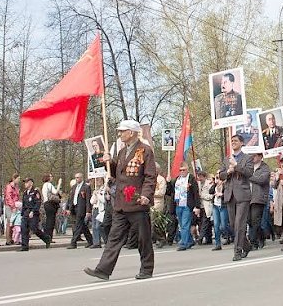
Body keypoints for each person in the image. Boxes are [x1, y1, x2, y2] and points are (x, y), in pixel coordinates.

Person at [84, 119, 157, 280]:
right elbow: (118, 173)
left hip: (137, 202)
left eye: (122, 131)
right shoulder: (122, 151)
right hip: (121, 203)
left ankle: (146, 269)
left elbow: (150, 176)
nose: (119, 134)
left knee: (143, 239)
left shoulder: (145, 151)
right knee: (114, 238)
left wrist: (146, 195)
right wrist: (108, 162)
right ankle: (103, 269)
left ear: (131, 132)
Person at [218, 134, 253, 261]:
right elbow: (221, 175)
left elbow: (249, 173)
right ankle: (247, 245)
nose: (233, 142)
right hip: (230, 194)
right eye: (231, 141)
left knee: (239, 224)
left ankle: (237, 251)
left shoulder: (247, 158)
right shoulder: (226, 159)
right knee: (233, 225)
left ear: (242, 143)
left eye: (236, 141)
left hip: (243, 195)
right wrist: (228, 171)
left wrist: (236, 166)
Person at [17, 177, 51, 251]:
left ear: (31, 183)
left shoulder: (35, 192)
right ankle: (25, 246)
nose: (25, 184)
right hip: (26, 213)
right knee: (24, 229)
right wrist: (22, 214)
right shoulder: (25, 193)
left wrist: (33, 211)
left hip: (33, 213)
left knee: (34, 229)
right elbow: (24, 205)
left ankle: (46, 238)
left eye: (27, 182)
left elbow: (38, 203)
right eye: (25, 182)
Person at [173, 163, 201, 251]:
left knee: (185, 225)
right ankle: (189, 241)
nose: (182, 172)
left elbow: (196, 193)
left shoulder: (191, 179)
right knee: (182, 224)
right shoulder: (177, 179)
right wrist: (169, 182)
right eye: (180, 170)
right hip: (178, 204)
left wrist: (197, 206)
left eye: (183, 170)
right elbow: (171, 191)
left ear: (187, 170)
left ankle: (184, 243)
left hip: (187, 205)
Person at [249, 153, 270, 250]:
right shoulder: (248, 166)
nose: (253, 157)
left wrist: (248, 176)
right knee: (249, 221)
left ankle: (253, 243)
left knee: (255, 220)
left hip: (259, 198)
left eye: (255, 155)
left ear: (261, 157)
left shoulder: (265, 167)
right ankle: (261, 236)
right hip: (247, 197)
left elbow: (262, 180)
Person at [66, 173, 93, 249]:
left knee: (78, 225)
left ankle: (73, 243)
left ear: (81, 178)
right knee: (83, 226)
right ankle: (91, 241)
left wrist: (88, 211)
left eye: (78, 177)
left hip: (82, 208)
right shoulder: (74, 187)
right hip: (75, 207)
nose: (76, 179)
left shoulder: (86, 187)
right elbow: (71, 198)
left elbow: (88, 200)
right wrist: (69, 209)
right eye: (76, 178)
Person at [210, 175, 232, 251]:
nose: (217, 180)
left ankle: (232, 234)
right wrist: (214, 183)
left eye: (218, 178)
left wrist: (221, 195)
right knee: (216, 225)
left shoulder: (226, 185)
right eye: (216, 178)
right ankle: (217, 244)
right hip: (215, 206)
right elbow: (210, 191)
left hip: (223, 206)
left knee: (223, 225)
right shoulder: (215, 185)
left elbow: (229, 195)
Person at [41, 173, 62, 243]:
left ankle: (47, 236)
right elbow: (55, 192)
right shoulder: (48, 184)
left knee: (48, 220)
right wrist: (59, 183)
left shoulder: (44, 185)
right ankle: (49, 237)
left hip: (46, 203)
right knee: (51, 221)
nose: (52, 178)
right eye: (51, 176)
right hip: (50, 204)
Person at [197, 171, 214, 246]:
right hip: (200, 206)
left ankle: (200, 238)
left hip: (207, 206)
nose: (199, 178)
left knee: (205, 222)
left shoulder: (209, 184)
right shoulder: (198, 184)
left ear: (204, 177)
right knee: (204, 223)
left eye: (201, 177)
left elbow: (211, 195)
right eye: (199, 177)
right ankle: (208, 238)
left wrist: (203, 196)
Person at [4, 173, 21, 245]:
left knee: (14, 223)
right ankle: (8, 240)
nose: (19, 180)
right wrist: (13, 206)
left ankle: (13, 239)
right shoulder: (9, 187)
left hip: (15, 206)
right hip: (9, 206)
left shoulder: (16, 187)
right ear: (14, 179)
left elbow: (17, 197)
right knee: (9, 222)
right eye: (18, 179)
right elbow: (8, 197)